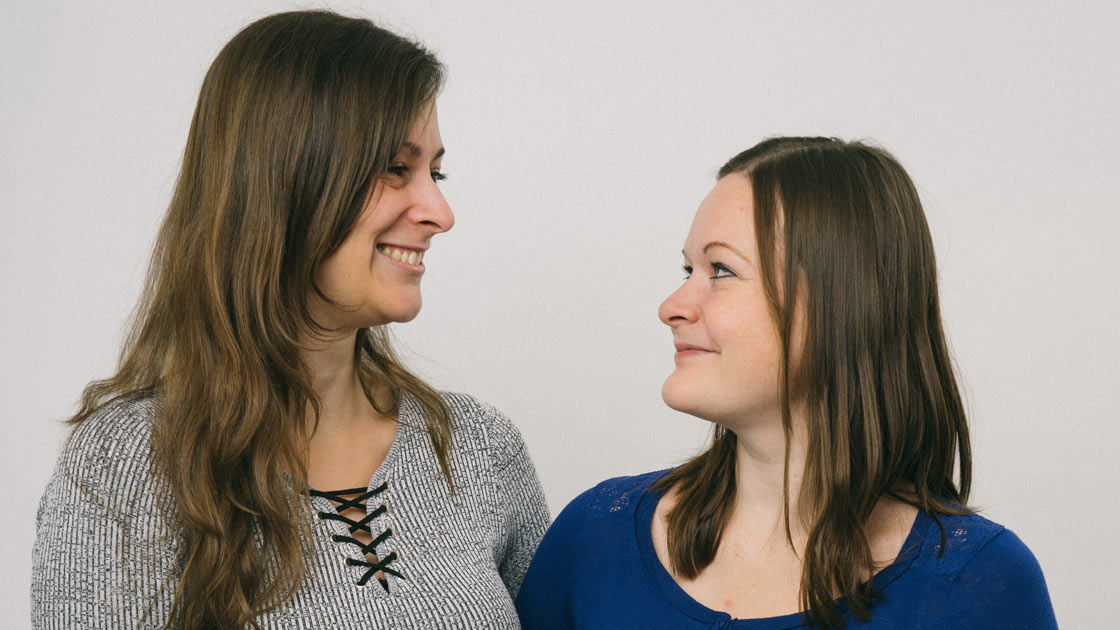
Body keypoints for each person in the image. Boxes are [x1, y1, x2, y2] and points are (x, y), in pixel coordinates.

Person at [31, 11, 548, 629]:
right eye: (394, 167)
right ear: (286, 179)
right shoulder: (124, 467)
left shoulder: (477, 449)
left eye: (435, 172)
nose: (440, 210)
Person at [516, 137, 1057, 629]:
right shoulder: (594, 535)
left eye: (721, 271)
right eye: (688, 271)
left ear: (839, 306)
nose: (673, 307)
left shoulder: (979, 584)